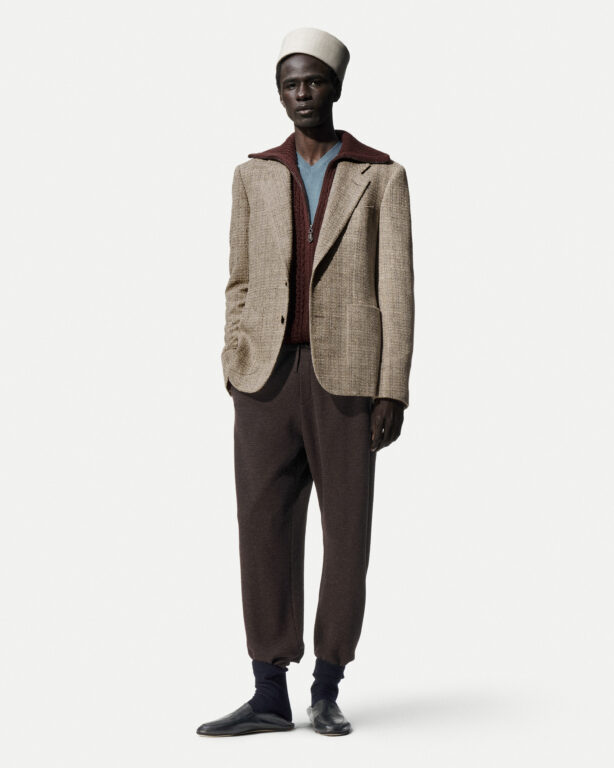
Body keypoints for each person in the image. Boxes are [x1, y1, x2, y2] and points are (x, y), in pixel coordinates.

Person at [197, 26, 414, 738]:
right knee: (262, 527)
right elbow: (238, 278)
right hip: (264, 378)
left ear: (336, 87)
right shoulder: (253, 174)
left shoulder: (380, 176)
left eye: (314, 81)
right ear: (279, 92)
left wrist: (392, 387)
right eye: (290, 84)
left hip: (347, 379)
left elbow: (397, 290)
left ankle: (326, 687)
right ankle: (268, 693)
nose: (302, 94)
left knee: (346, 533)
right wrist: (234, 358)